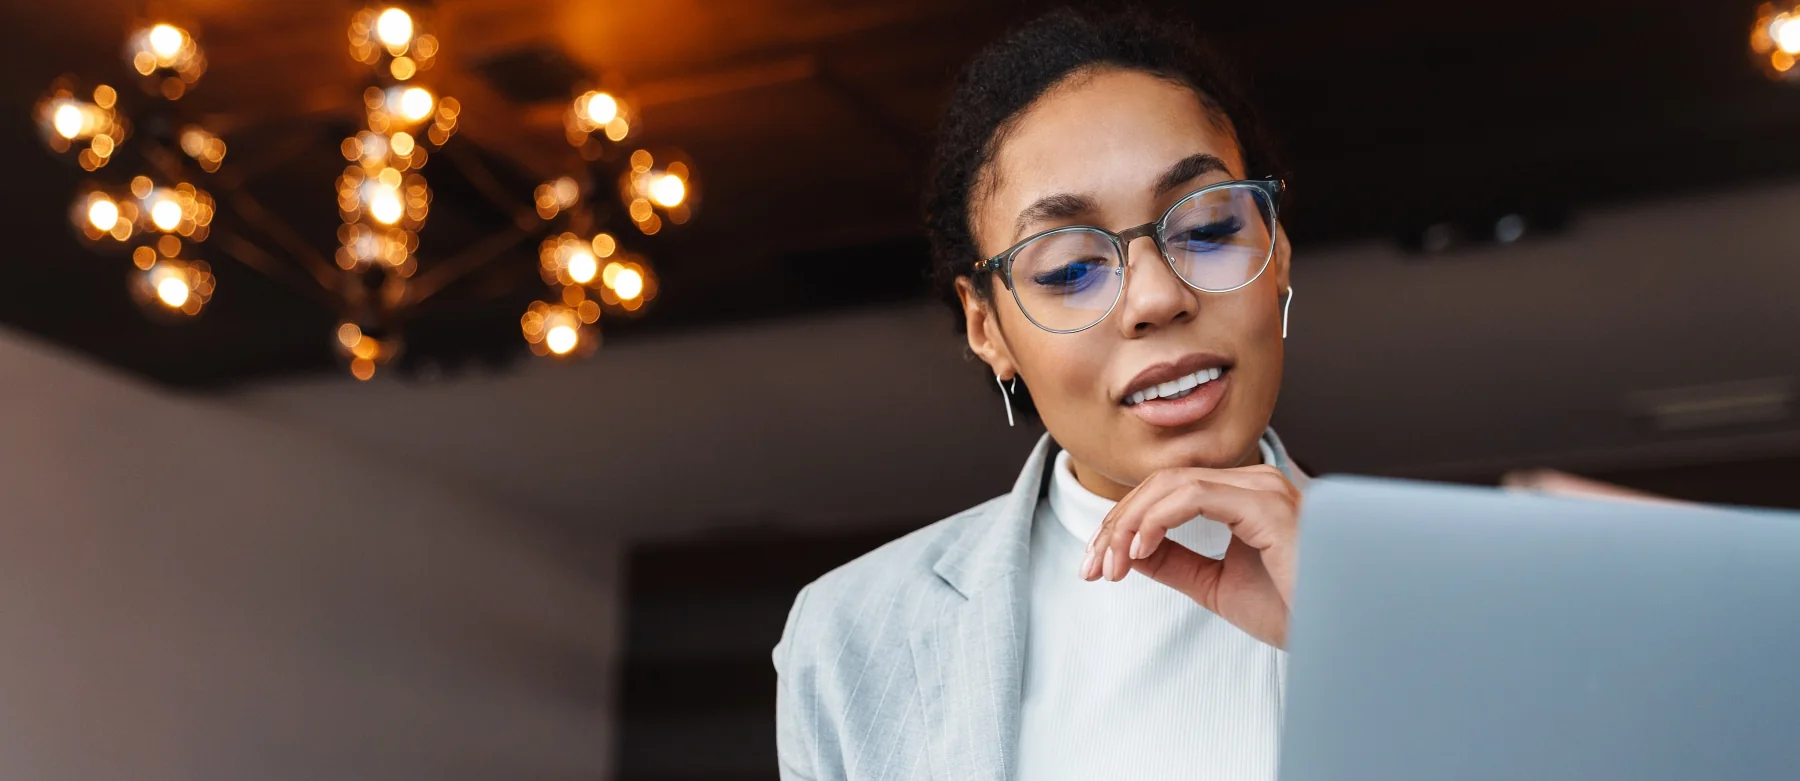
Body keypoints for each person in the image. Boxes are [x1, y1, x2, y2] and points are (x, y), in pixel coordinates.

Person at [774, 8, 1305, 780]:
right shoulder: (851, 633)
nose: (1156, 297)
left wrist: (1363, 631)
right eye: (1068, 270)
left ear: (1277, 249)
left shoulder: (1444, 594)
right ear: (986, 326)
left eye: (1209, 227)